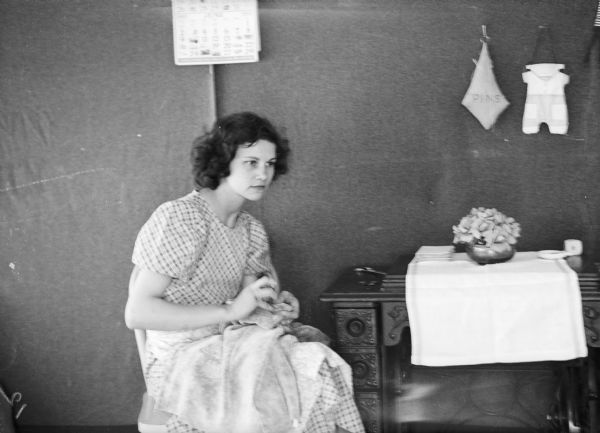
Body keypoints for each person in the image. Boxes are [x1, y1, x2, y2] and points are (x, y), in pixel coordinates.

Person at [124, 112, 365, 433]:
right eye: (251, 162)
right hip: (179, 356)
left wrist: (277, 305)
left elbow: (253, 304)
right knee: (266, 388)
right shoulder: (181, 218)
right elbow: (138, 313)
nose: (263, 173)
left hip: (232, 342)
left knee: (315, 366)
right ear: (223, 162)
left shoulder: (251, 231)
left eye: (269, 164)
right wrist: (229, 310)